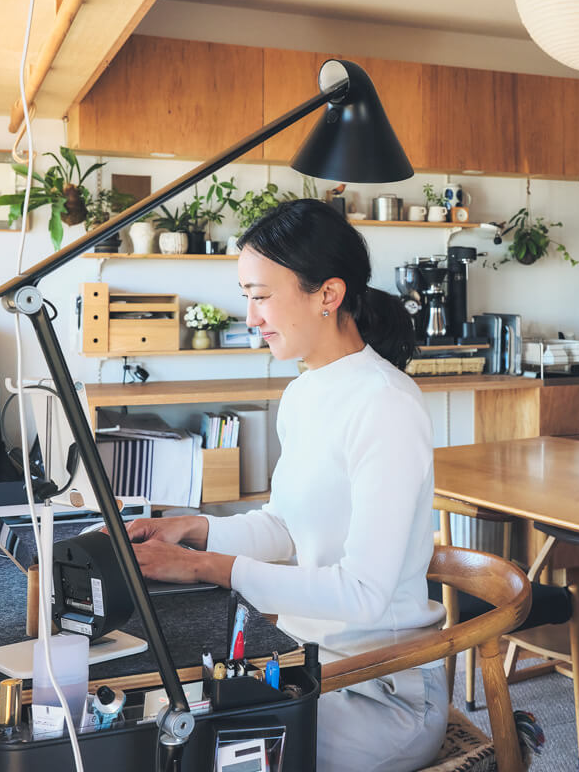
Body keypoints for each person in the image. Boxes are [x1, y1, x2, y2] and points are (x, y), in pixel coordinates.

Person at [124, 198, 448, 772]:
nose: (250, 317)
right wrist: (194, 530)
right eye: (247, 295)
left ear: (328, 294)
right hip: (302, 665)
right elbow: (284, 526)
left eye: (262, 295)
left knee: (186, 747)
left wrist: (208, 568)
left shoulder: (387, 406)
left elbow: (364, 594)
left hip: (380, 691)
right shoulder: (304, 392)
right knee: (151, 718)